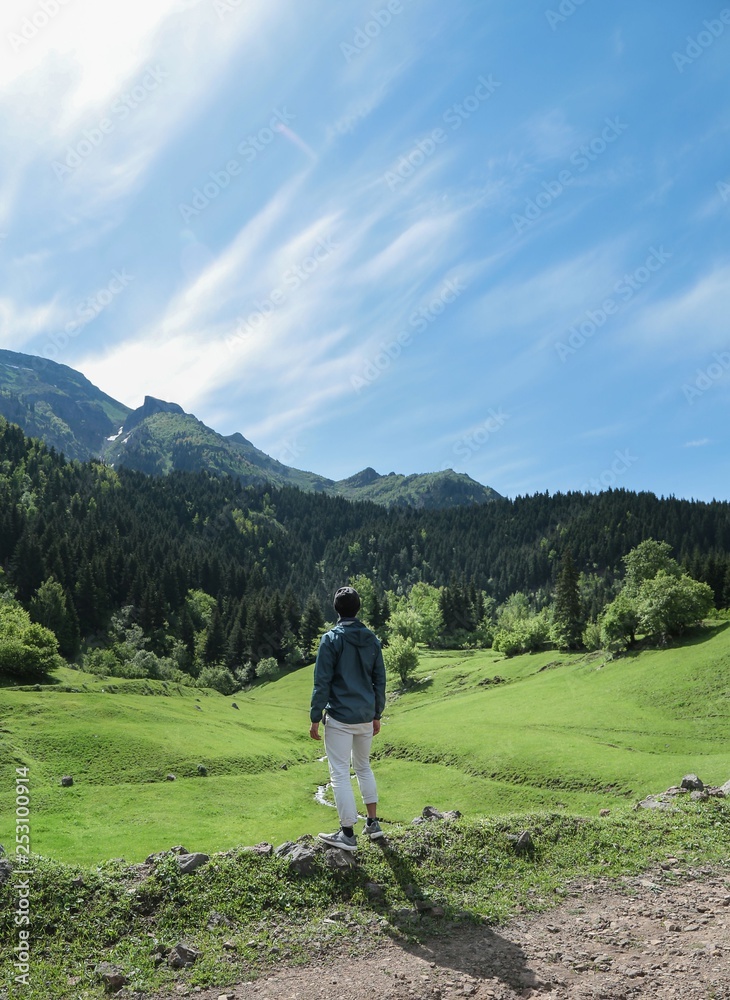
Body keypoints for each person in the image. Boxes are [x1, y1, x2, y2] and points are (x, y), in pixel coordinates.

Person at [309, 586, 386, 851]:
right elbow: (380, 680)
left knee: (340, 773)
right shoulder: (372, 639)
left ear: (336, 609)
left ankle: (347, 834)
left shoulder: (331, 639)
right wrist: (377, 714)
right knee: (363, 767)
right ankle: (373, 824)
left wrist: (315, 717)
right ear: (358, 608)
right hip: (366, 716)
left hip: (340, 717)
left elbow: (322, 682)